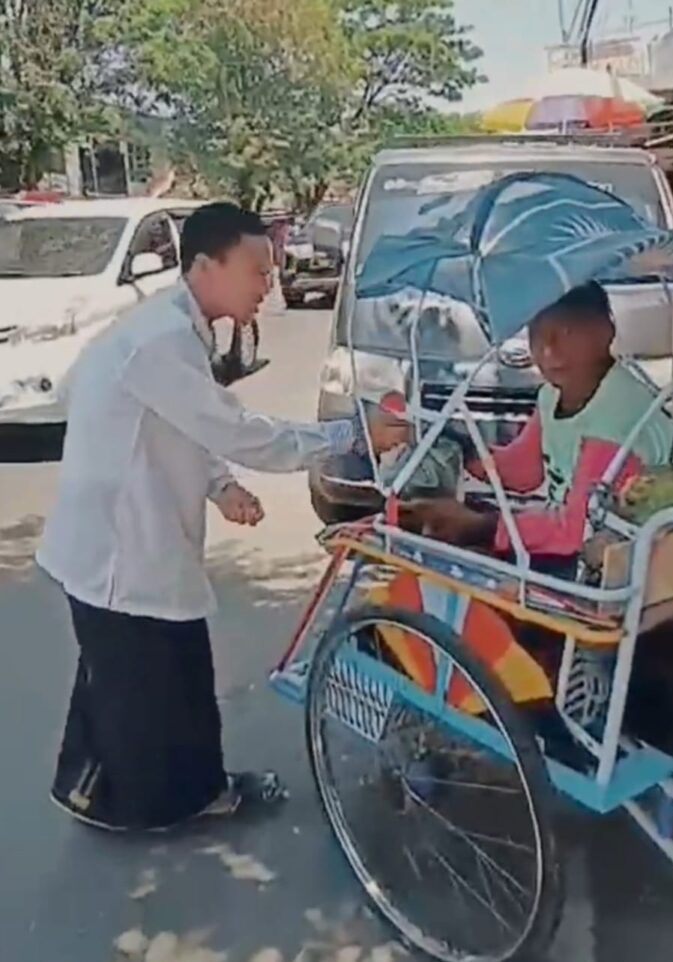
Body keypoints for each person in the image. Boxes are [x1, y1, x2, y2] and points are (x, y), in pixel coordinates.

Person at [37, 202, 407, 833]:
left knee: (158, 680)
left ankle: (163, 792)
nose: (269, 284)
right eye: (258, 270)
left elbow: (179, 424)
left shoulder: (176, 330)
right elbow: (237, 431)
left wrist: (219, 486)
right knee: (146, 694)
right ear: (205, 266)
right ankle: (153, 805)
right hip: (118, 552)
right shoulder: (162, 339)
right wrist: (353, 434)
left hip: (132, 541)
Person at [402, 281, 673, 565]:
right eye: (538, 335)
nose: (548, 350)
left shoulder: (615, 416)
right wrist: (463, 448)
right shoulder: (553, 394)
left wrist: (479, 527)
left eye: (566, 332)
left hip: (628, 558)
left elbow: (576, 532)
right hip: (576, 538)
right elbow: (524, 470)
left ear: (606, 331)